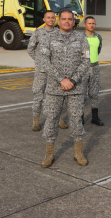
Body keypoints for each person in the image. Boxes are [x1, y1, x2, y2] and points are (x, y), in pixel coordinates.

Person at [39, 10, 91, 168]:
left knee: (76, 120)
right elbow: (44, 61)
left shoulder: (82, 39)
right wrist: (61, 79)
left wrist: (72, 80)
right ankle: (49, 152)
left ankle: (78, 151)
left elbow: (86, 61)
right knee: (52, 119)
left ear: (74, 21)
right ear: (58, 21)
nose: (67, 21)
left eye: (70, 19)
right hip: (54, 88)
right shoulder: (48, 38)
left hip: (75, 88)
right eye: (64, 19)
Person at [27, 10, 66, 131]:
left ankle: (58, 118)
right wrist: (39, 61)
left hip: (55, 72)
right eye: (48, 17)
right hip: (42, 71)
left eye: (53, 18)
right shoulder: (38, 32)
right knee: (38, 95)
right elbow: (30, 49)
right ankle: (36, 120)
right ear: (44, 19)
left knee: (56, 96)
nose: (51, 19)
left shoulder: (59, 33)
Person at [82, 16, 104, 126]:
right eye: (89, 23)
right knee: (82, 94)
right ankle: (80, 117)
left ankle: (95, 117)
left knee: (94, 93)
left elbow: (98, 50)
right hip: (83, 68)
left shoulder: (98, 37)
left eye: (93, 23)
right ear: (84, 25)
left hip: (95, 67)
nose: (92, 25)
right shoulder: (80, 37)